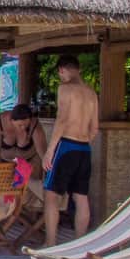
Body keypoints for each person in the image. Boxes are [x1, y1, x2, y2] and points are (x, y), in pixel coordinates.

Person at [42, 55, 100, 245]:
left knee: (51, 196)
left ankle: (50, 243)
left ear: (62, 70)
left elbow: (62, 119)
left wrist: (50, 150)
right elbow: (95, 128)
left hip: (66, 145)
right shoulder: (91, 93)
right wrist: (83, 141)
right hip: (84, 148)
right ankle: (79, 244)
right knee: (81, 197)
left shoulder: (65, 89)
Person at [0, 103, 47, 207]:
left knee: (29, 185)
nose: (22, 128)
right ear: (11, 120)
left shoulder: (34, 125)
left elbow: (42, 153)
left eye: (25, 125)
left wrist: (48, 171)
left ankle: (24, 204)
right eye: (19, 125)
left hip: (28, 161)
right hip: (5, 160)